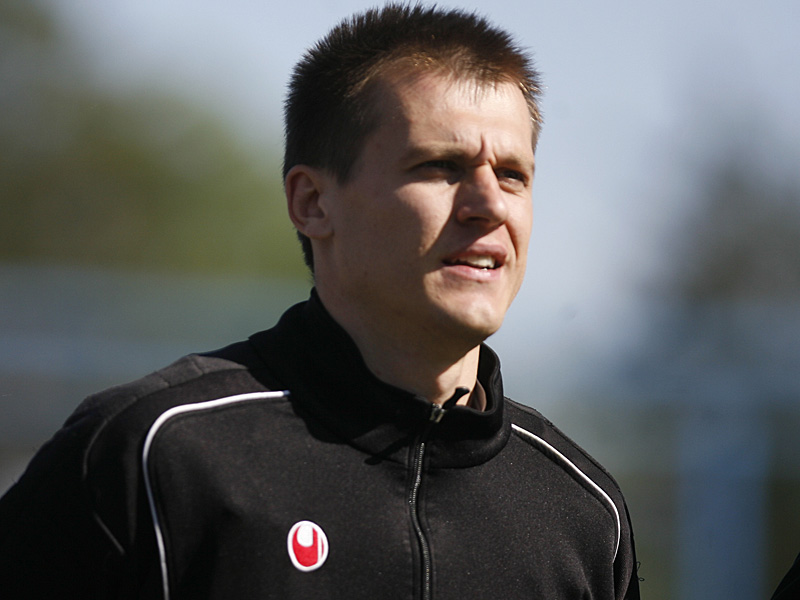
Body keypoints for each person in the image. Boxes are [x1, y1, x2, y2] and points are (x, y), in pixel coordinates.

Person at [0, 4, 641, 599]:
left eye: (512, 175)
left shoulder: (584, 516)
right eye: (440, 166)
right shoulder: (155, 455)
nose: (490, 205)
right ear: (312, 203)